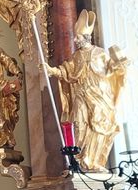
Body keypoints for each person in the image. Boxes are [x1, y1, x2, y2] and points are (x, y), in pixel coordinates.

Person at [45, 10, 129, 171]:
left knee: (98, 126)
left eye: (78, 37)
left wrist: (120, 63)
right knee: (78, 123)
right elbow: (67, 71)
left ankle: (93, 160)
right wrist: (52, 70)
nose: (75, 40)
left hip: (99, 97)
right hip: (81, 96)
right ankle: (79, 158)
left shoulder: (100, 53)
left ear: (86, 37)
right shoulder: (76, 57)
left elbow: (113, 70)